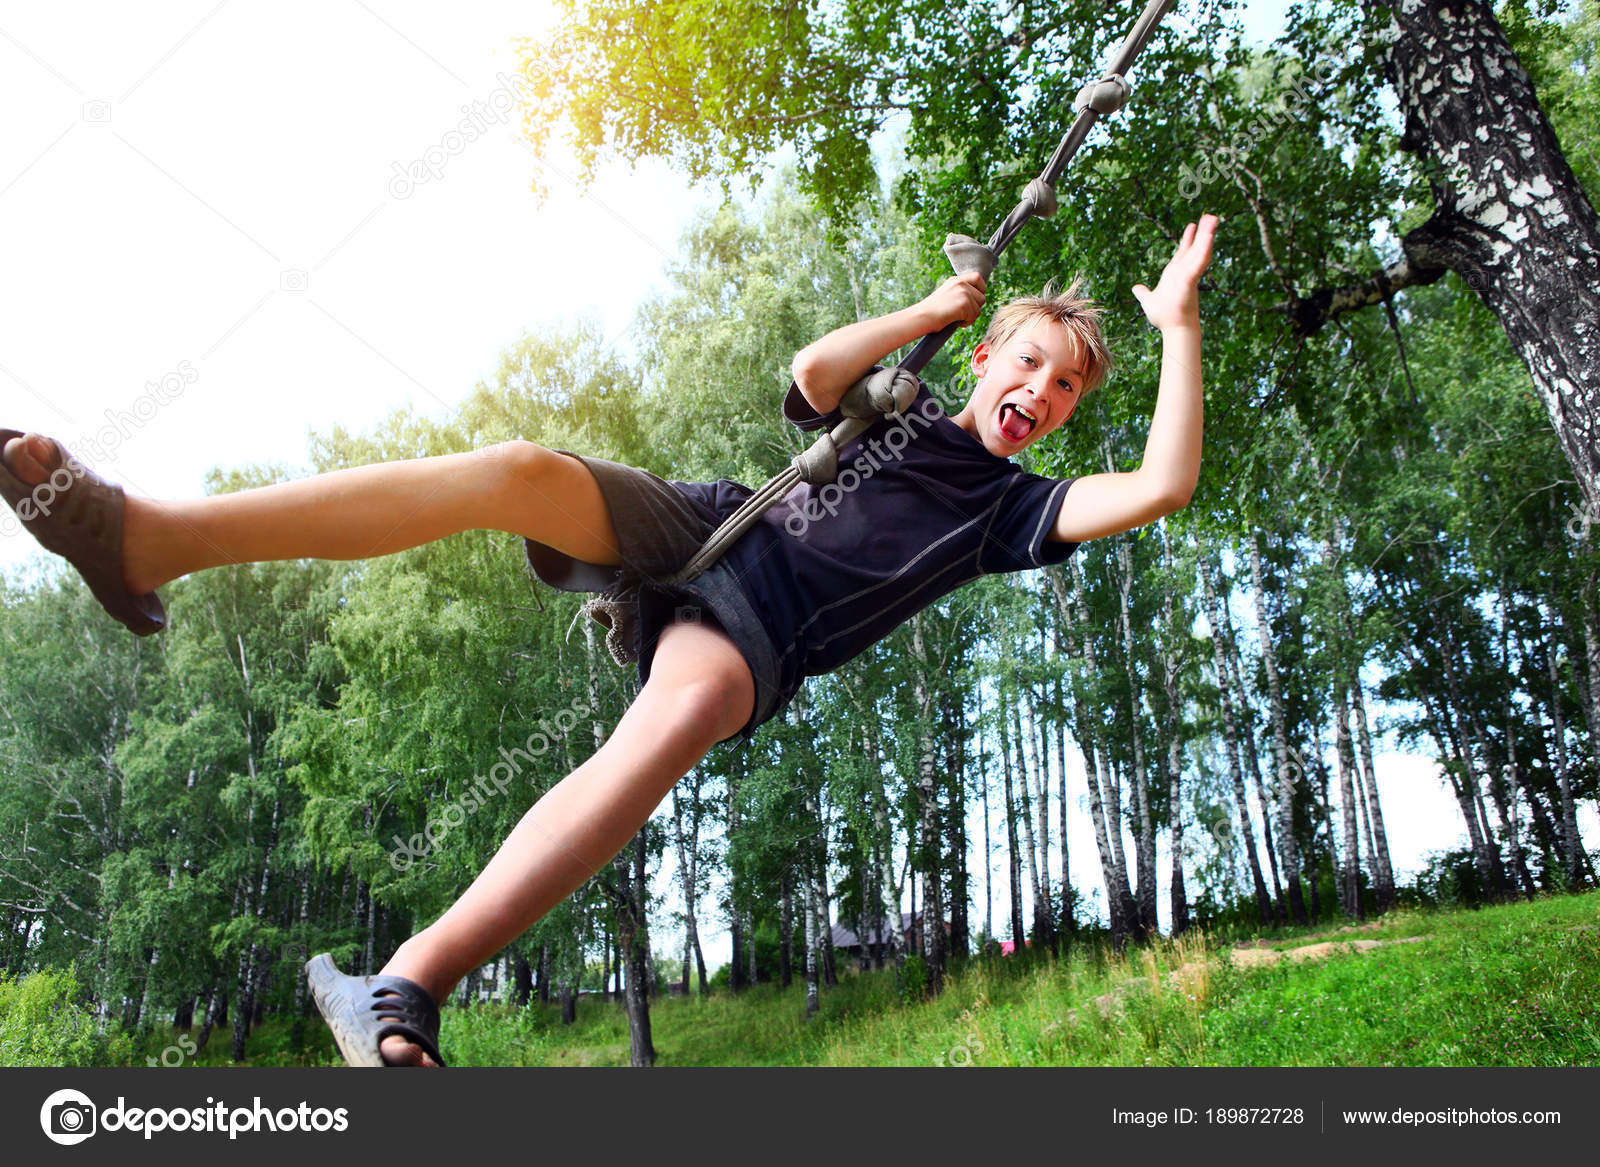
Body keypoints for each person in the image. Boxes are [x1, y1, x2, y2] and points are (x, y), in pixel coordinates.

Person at [0, 214, 1217, 1066]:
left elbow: (1161, 484)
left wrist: (1175, 326)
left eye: (1062, 395)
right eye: (1032, 365)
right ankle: (151, 538)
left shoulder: (1012, 509)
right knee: (517, 468)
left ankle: (411, 981)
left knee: (663, 737)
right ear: (994, 353)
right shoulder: (903, 392)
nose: (1042, 397)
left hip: (757, 626)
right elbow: (810, 370)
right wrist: (931, 310)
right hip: (708, 522)